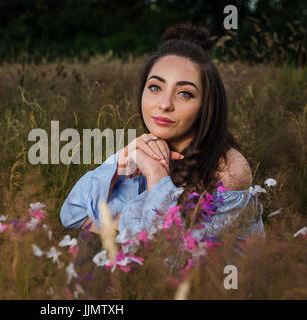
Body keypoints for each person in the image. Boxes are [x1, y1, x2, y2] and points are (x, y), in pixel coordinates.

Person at [60, 24, 265, 274]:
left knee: (93, 244)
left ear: (206, 105)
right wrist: (117, 168)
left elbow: (168, 258)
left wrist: (156, 176)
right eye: (155, 87)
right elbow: (72, 214)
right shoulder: (146, 147)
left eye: (184, 93)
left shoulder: (229, 170)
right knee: (91, 248)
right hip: (143, 285)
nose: (164, 104)